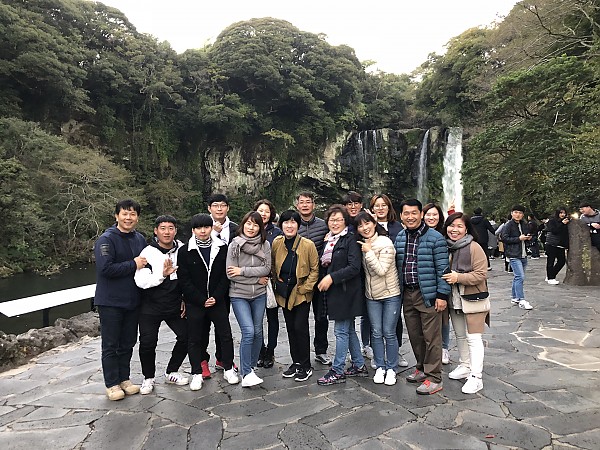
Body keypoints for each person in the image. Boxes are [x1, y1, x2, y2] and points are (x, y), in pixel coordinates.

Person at [394, 199, 450, 395]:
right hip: (407, 293)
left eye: (414, 213)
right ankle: (421, 368)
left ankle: (434, 377)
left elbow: (443, 269)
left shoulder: (435, 238)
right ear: (401, 216)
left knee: (431, 337)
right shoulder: (400, 237)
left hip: (428, 294)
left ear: (421, 215)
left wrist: (442, 295)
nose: (410, 217)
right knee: (415, 335)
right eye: (406, 213)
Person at [178, 213, 240, 391]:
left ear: (211, 228)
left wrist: (216, 297)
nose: (203, 231)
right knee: (195, 338)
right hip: (195, 302)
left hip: (217, 300)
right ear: (193, 230)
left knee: (225, 335)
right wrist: (200, 299)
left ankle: (228, 368)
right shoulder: (185, 251)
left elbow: (225, 275)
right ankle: (196, 372)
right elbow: (184, 279)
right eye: (199, 228)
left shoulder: (222, 247)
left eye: (206, 227)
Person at [94, 199, 147, 401]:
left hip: (132, 300)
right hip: (110, 301)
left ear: (137, 218)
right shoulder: (106, 240)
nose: (128, 218)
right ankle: (112, 384)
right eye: (124, 214)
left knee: (128, 342)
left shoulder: (139, 239)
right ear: (116, 216)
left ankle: (124, 379)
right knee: (110, 344)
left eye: (132, 214)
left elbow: (147, 264)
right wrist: (133, 264)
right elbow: (106, 269)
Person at [134, 215, 189, 395]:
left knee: (187, 336)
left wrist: (184, 299)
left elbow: (187, 276)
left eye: (171, 228)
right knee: (148, 342)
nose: (167, 232)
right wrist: (162, 275)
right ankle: (148, 377)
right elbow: (141, 282)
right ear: (156, 231)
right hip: (150, 304)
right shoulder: (147, 253)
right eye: (163, 228)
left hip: (174, 303)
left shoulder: (182, 249)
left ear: (175, 231)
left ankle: (172, 371)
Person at [316, 204, 367, 385]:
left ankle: (337, 370)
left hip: (347, 292)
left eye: (339, 220)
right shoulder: (329, 240)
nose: (335, 223)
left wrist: (331, 277)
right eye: (332, 220)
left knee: (341, 331)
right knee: (349, 330)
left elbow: (354, 267)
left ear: (345, 222)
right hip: (335, 292)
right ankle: (359, 364)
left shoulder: (350, 239)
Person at [442, 212, 490, 394]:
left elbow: (481, 274)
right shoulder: (447, 247)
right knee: (460, 335)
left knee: (474, 338)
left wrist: (458, 277)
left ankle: (477, 377)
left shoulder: (474, 247)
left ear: (467, 229)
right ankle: (465, 365)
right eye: (451, 225)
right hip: (455, 299)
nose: (454, 230)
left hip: (473, 298)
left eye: (459, 226)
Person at [272, 210, 319, 382]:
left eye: (293, 222)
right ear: (281, 225)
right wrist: (275, 281)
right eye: (286, 222)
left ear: (298, 225)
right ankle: (296, 362)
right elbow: (272, 264)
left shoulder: (308, 245)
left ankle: (305, 365)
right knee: (290, 328)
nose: (289, 226)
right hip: (284, 292)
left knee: (300, 327)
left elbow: (315, 269)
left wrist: (305, 288)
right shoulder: (277, 243)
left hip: (301, 293)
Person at [227, 211, 271, 387]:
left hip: (259, 294)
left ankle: (250, 368)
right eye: (248, 223)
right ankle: (246, 373)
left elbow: (266, 269)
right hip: (239, 295)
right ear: (243, 225)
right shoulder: (234, 245)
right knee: (249, 331)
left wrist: (243, 271)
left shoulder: (265, 244)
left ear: (260, 228)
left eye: (255, 225)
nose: (251, 228)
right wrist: (255, 278)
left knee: (258, 332)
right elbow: (231, 274)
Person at [355, 212, 401, 386]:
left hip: (390, 294)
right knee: (376, 332)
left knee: (389, 332)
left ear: (374, 224)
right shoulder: (361, 243)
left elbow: (381, 270)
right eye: (360, 225)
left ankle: (392, 368)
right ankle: (380, 366)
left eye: (367, 223)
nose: (364, 228)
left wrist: (368, 252)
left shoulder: (385, 242)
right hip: (372, 296)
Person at [199, 193, 239, 379]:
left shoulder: (236, 229)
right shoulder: (201, 227)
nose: (219, 208)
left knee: (223, 324)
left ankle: (223, 359)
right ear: (209, 208)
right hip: (205, 285)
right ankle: (202, 360)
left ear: (228, 208)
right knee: (203, 325)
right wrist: (212, 232)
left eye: (223, 205)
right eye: (215, 205)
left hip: (229, 282)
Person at [371, 194, 408, 368]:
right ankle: (375, 352)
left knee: (394, 319)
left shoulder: (398, 227)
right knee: (374, 321)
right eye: (376, 205)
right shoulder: (368, 226)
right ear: (372, 208)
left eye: (383, 205)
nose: (380, 208)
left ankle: (396, 350)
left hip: (394, 279)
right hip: (373, 281)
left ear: (389, 207)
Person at [295, 191, 330, 365]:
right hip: (299, 278)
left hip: (320, 277)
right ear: (297, 205)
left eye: (308, 202)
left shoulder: (324, 226)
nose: (305, 205)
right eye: (302, 202)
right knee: (299, 319)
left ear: (313, 205)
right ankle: (300, 354)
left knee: (321, 316)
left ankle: (321, 350)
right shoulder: (293, 225)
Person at [342, 191, 372, 362]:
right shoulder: (342, 223)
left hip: (369, 273)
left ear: (361, 205)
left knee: (369, 312)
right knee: (350, 316)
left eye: (356, 203)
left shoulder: (367, 222)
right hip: (350, 275)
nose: (353, 207)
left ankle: (368, 345)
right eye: (349, 204)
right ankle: (356, 350)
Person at [253, 199, 283, 369]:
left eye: (266, 211)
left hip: (271, 281)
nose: (263, 214)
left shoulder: (277, 232)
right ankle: (259, 350)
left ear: (271, 214)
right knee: (256, 319)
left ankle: (270, 351)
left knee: (272, 318)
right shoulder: (250, 230)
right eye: (260, 210)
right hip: (252, 281)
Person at [422, 203, 451, 367]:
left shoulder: (445, 234)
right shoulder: (417, 234)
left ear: (440, 217)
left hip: (443, 281)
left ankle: (444, 347)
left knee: (444, 317)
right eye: (428, 214)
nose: (431, 218)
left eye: (435, 215)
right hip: (425, 283)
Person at [501, 205, 533, 310]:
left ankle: (515, 297)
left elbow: (528, 234)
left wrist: (528, 237)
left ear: (523, 214)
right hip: (513, 254)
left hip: (523, 253)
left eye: (520, 213)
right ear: (512, 213)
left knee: (517, 277)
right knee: (520, 276)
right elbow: (504, 238)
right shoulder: (508, 225)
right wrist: (518, 239)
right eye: (515, 212)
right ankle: (521, 299)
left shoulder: (524, 224)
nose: (517, 215)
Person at [544, 207, 570, 285]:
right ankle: (550, 278)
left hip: (560, 245)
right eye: (561, 213)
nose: (563, 214)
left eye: (564, 213)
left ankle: (551, 274)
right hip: (551, 243)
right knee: (550, 261)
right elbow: (554, 231)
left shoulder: (567, 221)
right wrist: (562, 224)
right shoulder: (552, 221)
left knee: (561, 261)